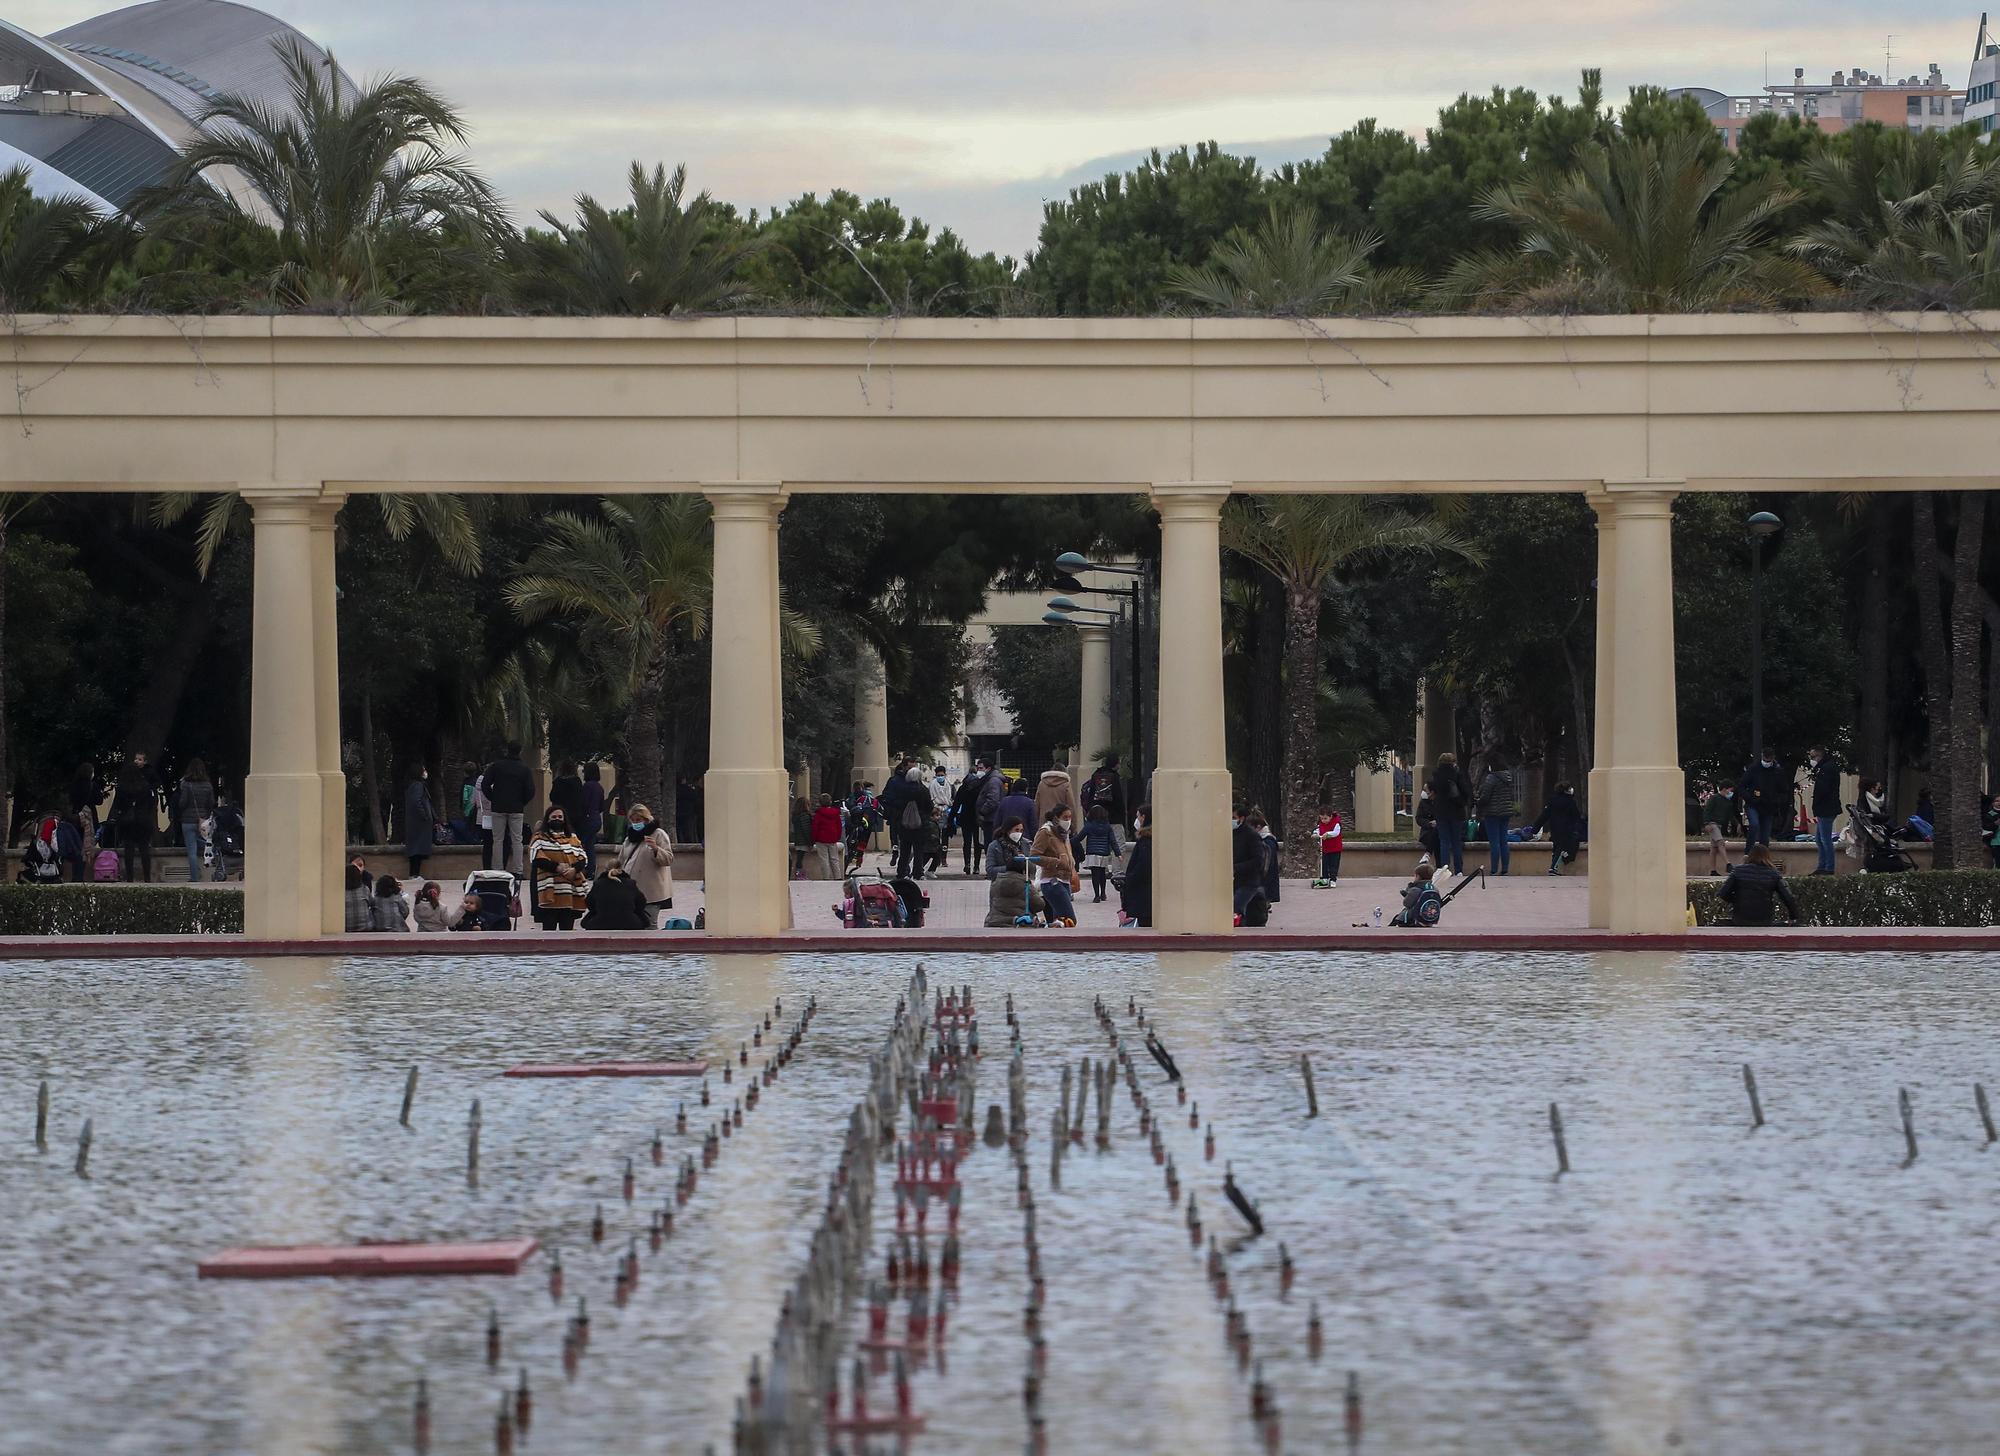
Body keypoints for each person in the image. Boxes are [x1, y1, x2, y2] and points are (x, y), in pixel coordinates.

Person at [481, 742, 536, 877]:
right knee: (517, 839)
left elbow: (485, 784)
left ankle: (498, 869)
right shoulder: (524, 769)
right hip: (516, 808)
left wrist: (493, 798)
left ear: (507, 750)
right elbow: (530, 790)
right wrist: (522, 802)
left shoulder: (497, 766)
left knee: (497, 839)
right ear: (520, 751)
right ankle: (518, 870)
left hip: (498, 807)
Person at [528, 809, 588, 931]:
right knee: (549, 931)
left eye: (560, 817)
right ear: (548, 819)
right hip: (549, 892)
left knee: (567, 930)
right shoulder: (539, 838)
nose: (557, 819)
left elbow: (583, 858)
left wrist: (574, 870)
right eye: (554, 816)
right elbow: (536, 858)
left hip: (570, 892)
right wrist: (557, 867)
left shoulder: (573, 837)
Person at [619, 802, 675, 927]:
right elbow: (621, 860)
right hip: (631, 891)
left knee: (650, 924)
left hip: (651, 892)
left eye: (638, 820)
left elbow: (668, 859)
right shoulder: (630, 838)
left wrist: (656, 849)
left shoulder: (658, 834)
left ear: (646, 819)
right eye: (633, 820)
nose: (635, 823)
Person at [1718, 844, 1799, 927]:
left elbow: (1723, 893)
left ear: (1750, 855)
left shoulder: (1738, 870)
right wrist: (1793, 917)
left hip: (1740, 918)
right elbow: (1788, 897)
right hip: (1764, 919)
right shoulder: (1773, 873)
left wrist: (1737, 900)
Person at [110, 756, 158, 883]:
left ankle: (130, 877)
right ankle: (147, 877)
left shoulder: (121, 788)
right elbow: (151, 803)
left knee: (128, 849)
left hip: (127, 821)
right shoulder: (145, 786)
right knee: (144, 849)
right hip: (143, 820)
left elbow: (117, 805)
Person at [1030, 807, 1080, 924]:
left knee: (1061, 921)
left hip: (1065, 880)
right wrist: (1056, 862)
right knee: (1070, 920)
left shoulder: (1064, 834)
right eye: (1065, 817)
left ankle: (1054, 938)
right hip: (1052, 881)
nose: (1068, 821)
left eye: (1070, 817)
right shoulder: (1046, 832)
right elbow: (1034, 855)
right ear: (1056, 818)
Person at [171, 758, 215, 884]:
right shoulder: (208, 785)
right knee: (207, 844)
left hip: (188, 821)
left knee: (191, 850)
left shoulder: (186, 785)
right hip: (204, 822)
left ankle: (195, 877)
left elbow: (182, 803)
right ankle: (215, 864)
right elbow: (211, 803)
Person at [1428, 753, 1472, 876]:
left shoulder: (1436, 776)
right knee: (1456, 841)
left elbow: (1431, 789)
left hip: (1441, 812)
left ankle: (1445, 869)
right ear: (1453, 762)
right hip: (1457, 812)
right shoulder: (1458, 774)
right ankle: (1459, 870)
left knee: (1444, 841)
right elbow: (1466, 791)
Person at [1474, 753, 1518, 876]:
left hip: (1492, 813)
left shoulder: (1491, 778)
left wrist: (1477, 801)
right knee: (1503, 840)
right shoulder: (1508, 777)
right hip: (1506, 812)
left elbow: (1485, 797)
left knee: (1494, 842)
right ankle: (1505, 868)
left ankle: (1494, 869)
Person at [1532, 782, 1586, 876]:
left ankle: (1554, 866)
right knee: (1562, 848)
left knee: (1556, 847)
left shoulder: (1552, 801)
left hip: (1555, 828)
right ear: (1566, 790)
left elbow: (1544, 816)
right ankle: (1553, 868)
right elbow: (1576, 816)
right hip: (1567, 829)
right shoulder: (1570, 802)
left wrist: (1535, 828)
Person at [1739, 749, 1787, 847]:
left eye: (1769, 760)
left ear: (1773, 758)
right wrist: (1749, 798)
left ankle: (1762, 858)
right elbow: (1741, 786)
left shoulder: (1777, 771)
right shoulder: (1753, 769)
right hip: (1753, 804)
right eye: (1765, 760)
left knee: (1765, 837)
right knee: (1754, 825)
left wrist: (1776, 801)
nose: (1767, 762)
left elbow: (1784, 790)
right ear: (1762, 756)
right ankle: (1748, 852)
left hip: (1768, 807)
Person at [984, 852, 1047, 927]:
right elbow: (1039, 905)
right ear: (1023, 870)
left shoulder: (995, 884)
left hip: (995, 921)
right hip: (1019, 922)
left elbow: (992, 904)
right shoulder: (1025, 885)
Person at [1805, 747, 1841, 875]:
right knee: (1819, 839)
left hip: (1826, 808)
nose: (1811, 760)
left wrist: (1817, 804)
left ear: (1819, 756)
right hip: (1826, 807)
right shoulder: (1826, 768)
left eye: (1813, 757)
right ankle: (1822, 866)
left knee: (1825, 839)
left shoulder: (1826, 769)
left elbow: (1823, 789)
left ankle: (1828, 868)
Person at [582, 863, 652, 929]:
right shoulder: (630, 883)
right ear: (621, 869)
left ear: (606, 869)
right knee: (644, 921)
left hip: (600, 922)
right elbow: (641, 903)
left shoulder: (598, 884)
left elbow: (589, 903)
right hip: (630, 922)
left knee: (587, 922)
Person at [1080, 803, 1124, 902]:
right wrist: (1118, 854)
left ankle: (1096, 896)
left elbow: (1079, 837)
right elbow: (1113, 841)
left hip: (1092, 853)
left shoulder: (1089, 826)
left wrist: (1069, 842)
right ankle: (1103, 893)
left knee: (1095, 875)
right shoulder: (1107, 827)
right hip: (1104, 853)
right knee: (1102, 874)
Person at [1118, 805, 1153, 927]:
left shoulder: (1145, 841)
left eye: (1138, 816)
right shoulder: (1148, 840)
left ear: (1144, 817)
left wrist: (1130, 879)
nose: (1136, 820)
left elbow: (1143, 866)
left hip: (1143, 897)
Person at [1230, 804, 1264, 917]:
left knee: (1236, 909)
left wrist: (1236, 868)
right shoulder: (1231, 834)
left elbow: (1258, 860)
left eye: (1234, 818)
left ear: (1241, 818)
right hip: (1234, 881)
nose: (1231, 821)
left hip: (1248, 882)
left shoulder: (1251, 836)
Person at [1701, 783, 1739, 875]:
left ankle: (1712, 870)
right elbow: (1707, 810)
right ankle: (1728, 864)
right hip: (1712, 824)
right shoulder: (1714, 798)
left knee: (1714, 848)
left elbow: (1730, 815)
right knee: (1720, 842)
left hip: (1719, 825)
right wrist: (1706, 823)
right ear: (1724, 789)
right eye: (1730, 790)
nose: (1731, 792)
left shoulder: (1728, 802)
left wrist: (1737, 824)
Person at [404, 767, 435, 879]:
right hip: (419, 823)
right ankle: (414, 873)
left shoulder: (413, 785)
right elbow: (417, 802)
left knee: (417, 848)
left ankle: (414, 873)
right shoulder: (418, 786)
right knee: (417, 849)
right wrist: (425, 815)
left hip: (417, 823)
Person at [1082, 754, 1127, 828]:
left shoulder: (1096, 774)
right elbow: (1118, 797)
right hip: (1113, 816)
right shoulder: (1114, 777)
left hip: (1096, 815)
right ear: (1115, 764)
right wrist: (1122, 815)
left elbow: (1091, 794)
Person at [17, 814, 62, 884]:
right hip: (47, 869)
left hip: (42, 870)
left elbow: (28, 860)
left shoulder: (38, 845)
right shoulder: (49, 845)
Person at [579, 762, 607, 874]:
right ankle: (591, 869)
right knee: (590, 844)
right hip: (596, 818)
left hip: (588, 819)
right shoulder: (599, 787)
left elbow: (584, 803)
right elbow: (601, 806)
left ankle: (585, 868)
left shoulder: (587, 786)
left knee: (582, 843)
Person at [210, 791, 244, 881]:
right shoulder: (237, 823)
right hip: (237, 848)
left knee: (219, 847)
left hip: (226, 847)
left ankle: (221, 870)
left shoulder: (222, 828)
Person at [809, 793, 844, 880]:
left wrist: (813, 838)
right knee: (834, 858)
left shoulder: (819, 814)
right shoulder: (835, 814)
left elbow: (815, 827)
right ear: (830, 802)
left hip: (821, 839)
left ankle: (826, 877)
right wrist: (837, 836)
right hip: (832, 838)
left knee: (824, 859)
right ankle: (838, 876)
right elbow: (839, 826)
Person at [1033, 765, 1079, 830]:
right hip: (1061, 821)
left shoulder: (1042, 784)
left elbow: (1037, 805)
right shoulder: (1066, 784)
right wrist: (1074, 825)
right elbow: (1071, 805)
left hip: (1044, 821)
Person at [1311, 805, 1343, 887]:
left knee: (1333, 864)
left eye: (1325, 818)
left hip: (1335, 848)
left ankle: (1333, 879)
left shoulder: (1336, 823)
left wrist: (1328, 834)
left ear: (1330, 816)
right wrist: (1315, 834)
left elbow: (1336, 833)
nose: (1323, 820)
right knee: (1324, 863)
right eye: (1321, 818)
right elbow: (1318, 830)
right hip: (1325, 848)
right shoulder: (1321, 824)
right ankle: (1324, 878)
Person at [343, 861, 373, 932]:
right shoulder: (364, 889)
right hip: (366, 927)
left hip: (347, 928)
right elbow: (372, 904)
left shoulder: (340, 893)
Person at [1414, 787, 1438, 869]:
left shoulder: (1440, 801)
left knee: (1437, 836)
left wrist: (1437, 822)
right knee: (1435, 837)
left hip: (1439, 830)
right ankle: (1439, 866)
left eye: (1427, 790)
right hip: (1427, 832)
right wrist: (1428, 823)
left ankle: (1428, 854)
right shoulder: (1423, 802)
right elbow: (1418, 818)